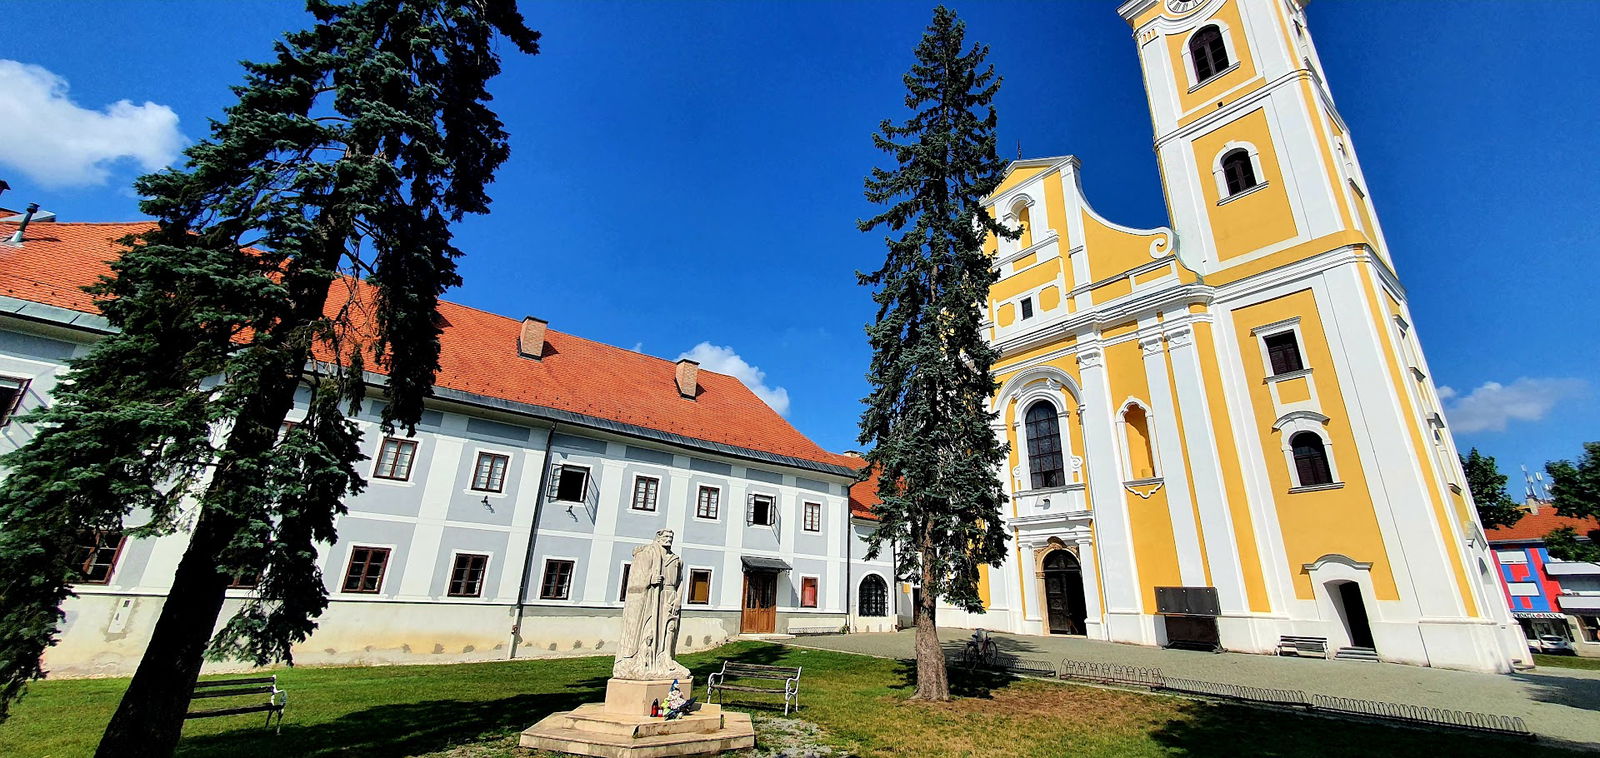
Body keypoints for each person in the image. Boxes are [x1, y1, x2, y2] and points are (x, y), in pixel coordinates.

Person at [613, 529, 691, 680]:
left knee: (670, 628)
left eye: (671, 537)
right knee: (650, 629)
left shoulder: (676, 559)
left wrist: (678, 600)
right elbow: (635, 578)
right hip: (654, 596)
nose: (669, 539)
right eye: (666, 536)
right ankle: (645, 660)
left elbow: (680, 582)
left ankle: (666, 657)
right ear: (658, 538)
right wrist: (650, 579)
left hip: (670, 595)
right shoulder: (647, 553)